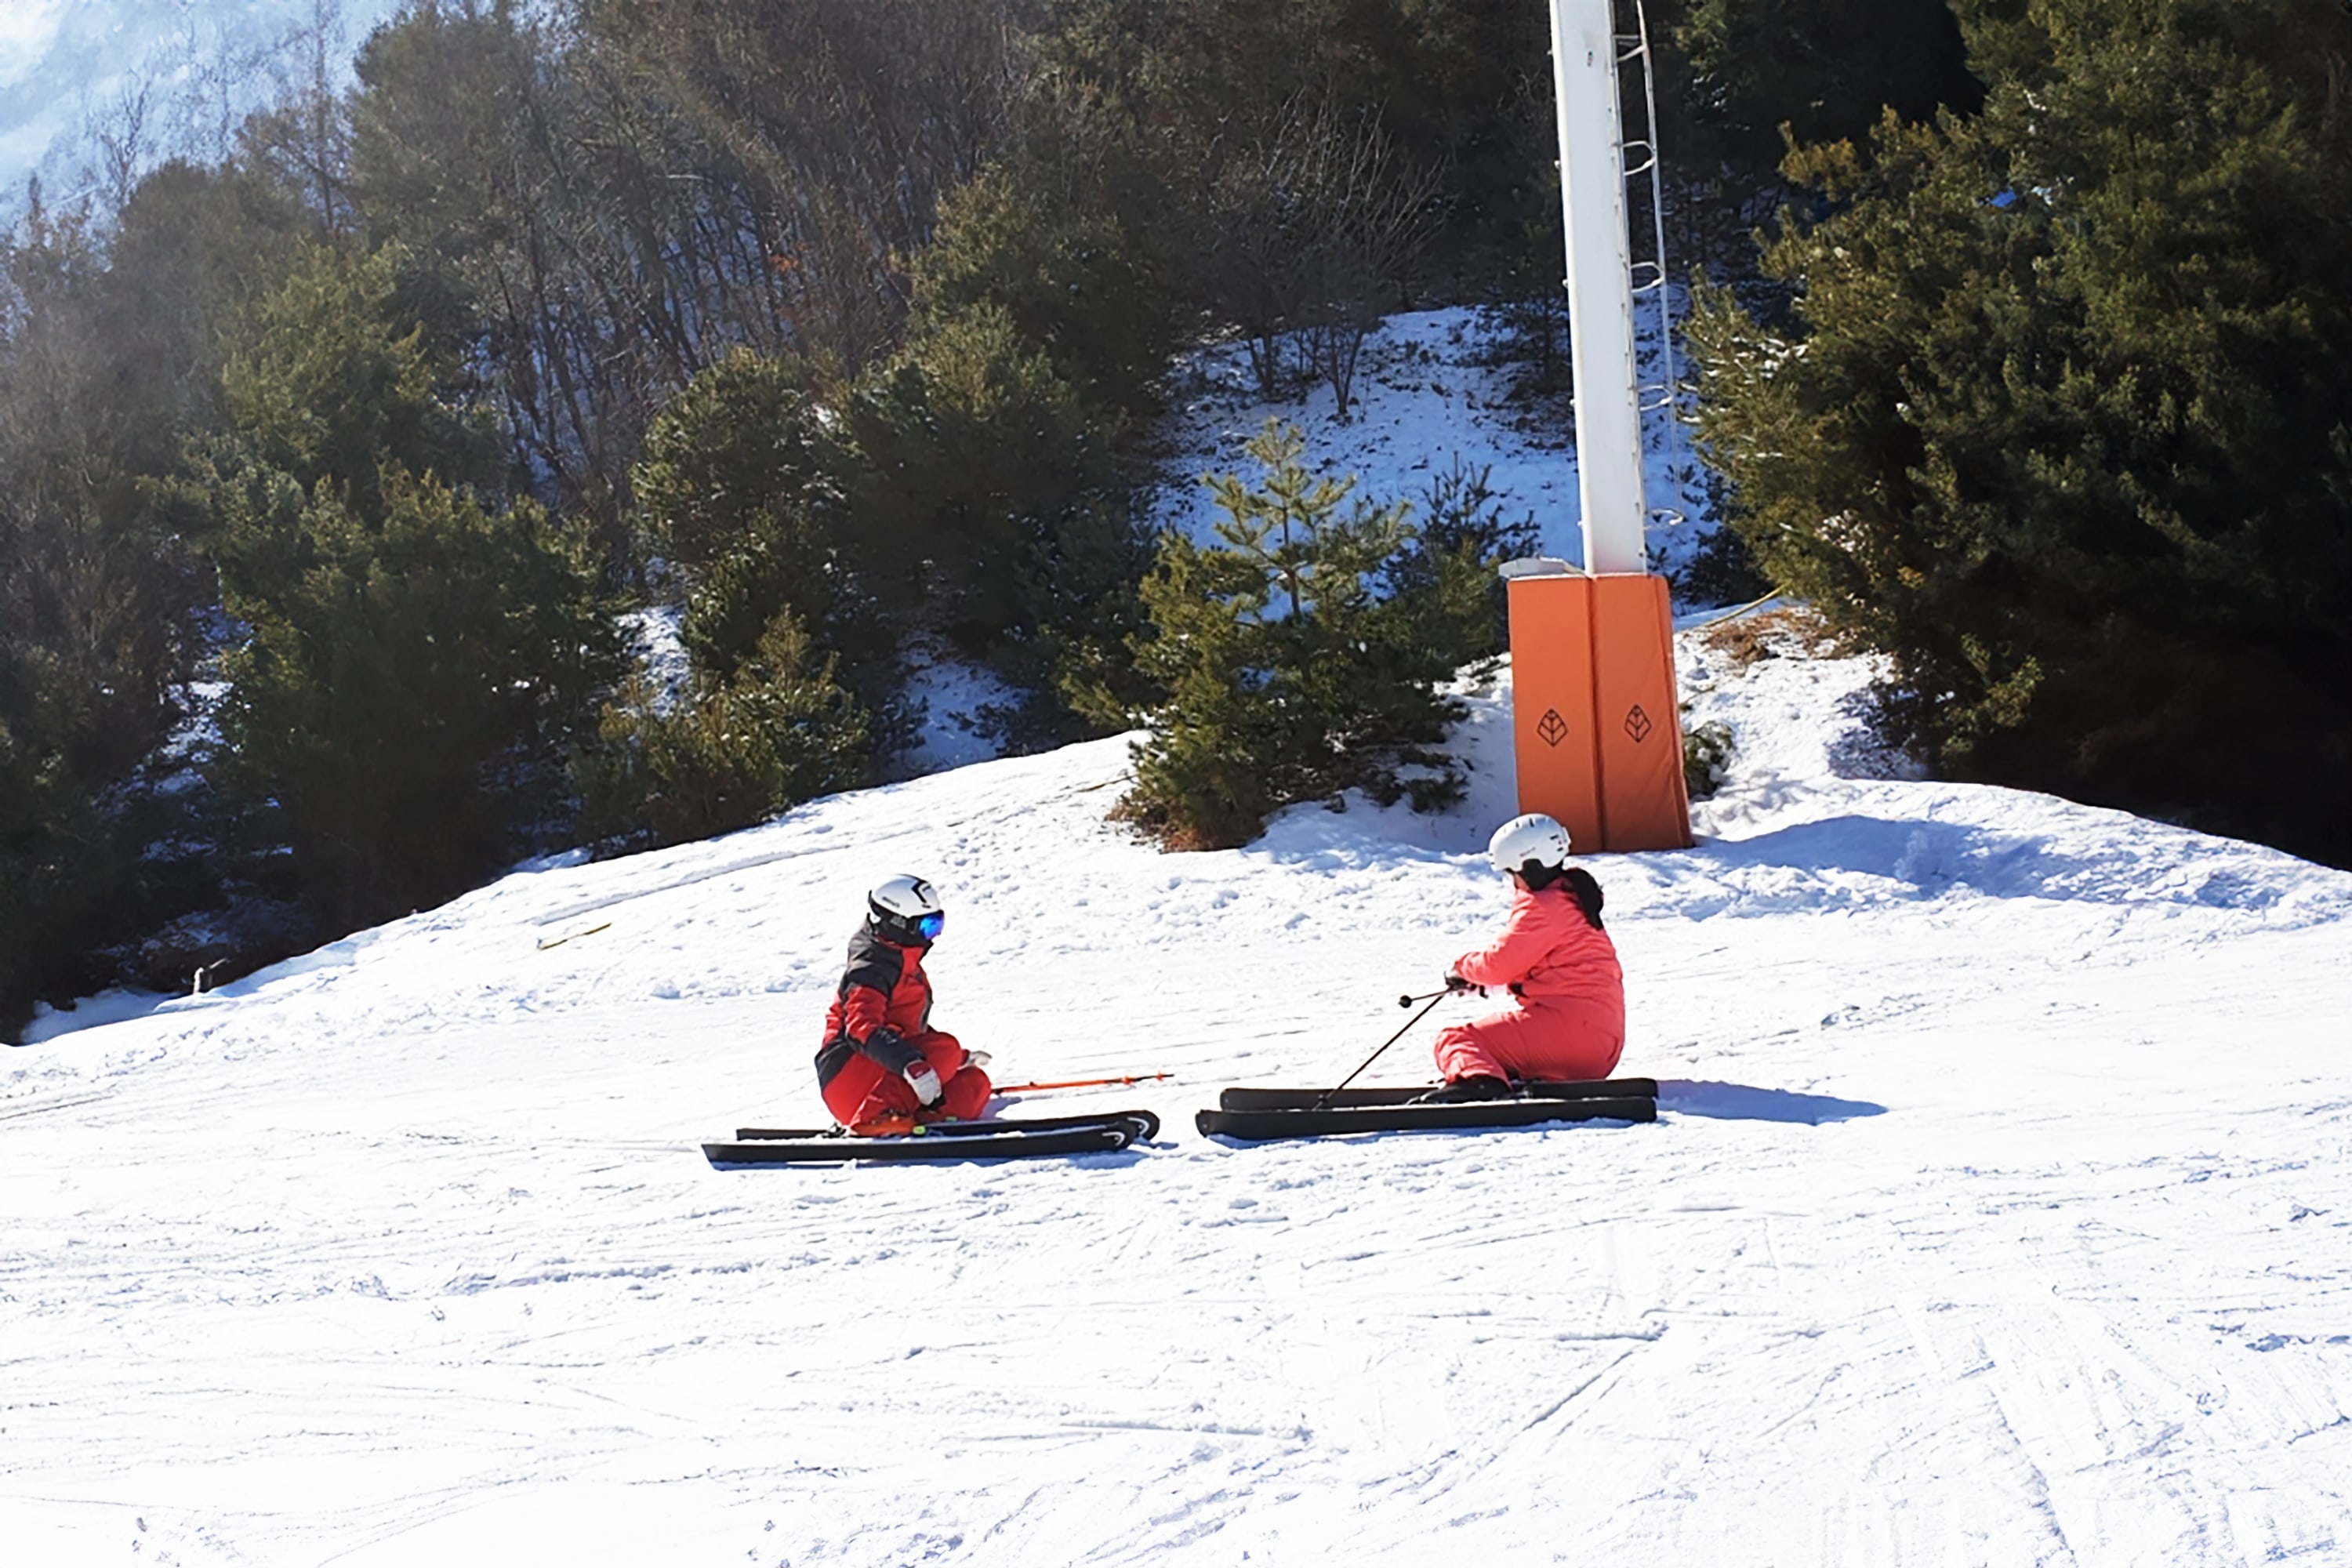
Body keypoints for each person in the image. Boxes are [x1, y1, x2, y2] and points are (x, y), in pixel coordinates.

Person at [1423, 813, 1625, 1102]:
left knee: (1458, 1039)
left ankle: (1480, 1082)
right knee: (1486, 1041)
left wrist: (1461, 969)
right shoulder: (1572, 898)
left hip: (1572, 1040)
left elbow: (1498, 965)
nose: (1513, 882)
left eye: (1511, 872)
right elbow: (1555, 971)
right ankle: (1491, 1073)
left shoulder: (1544, 907)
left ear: (1527, 866)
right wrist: (1489, 985)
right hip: (1597, 1041)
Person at [815, 875, 993, 1129]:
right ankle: (875, 1118)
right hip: (848, 1076)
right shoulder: (869, 969)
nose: (933, 936)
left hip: (885, 1073)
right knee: (947, 1048)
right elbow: (861, 1028)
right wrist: (912, 1064)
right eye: (928, 926)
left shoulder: (901, 958)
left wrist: (958, 1061)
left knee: (974, 1085)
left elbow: (904, 1027)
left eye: (937, 924)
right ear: (899, 923)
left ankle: (908, 1119)